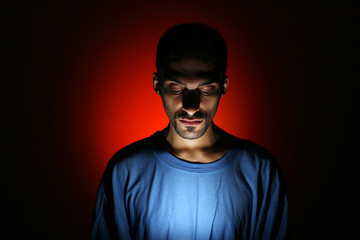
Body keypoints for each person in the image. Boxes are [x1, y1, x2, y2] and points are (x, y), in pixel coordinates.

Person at [91, 23, 288, 240]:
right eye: (176, 89)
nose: (191, 106)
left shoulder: (259, 171)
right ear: (157, 85)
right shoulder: (125, 171)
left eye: (205, 90)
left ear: (223, 86)